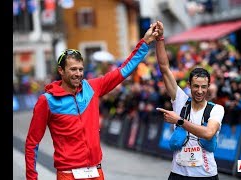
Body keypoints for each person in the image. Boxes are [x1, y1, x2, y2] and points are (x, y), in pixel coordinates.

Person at [25, 23, 159, 180]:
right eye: (73, 69)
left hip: (96, 171)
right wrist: (31, 177)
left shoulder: (92, 87)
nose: (78, 74)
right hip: (68, 175)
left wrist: (144, 43)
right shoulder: (47, 100)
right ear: (61, 71)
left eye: (80, 69)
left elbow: (123, 70)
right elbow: (32, 143)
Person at [154, 21, 225, 180]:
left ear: (208, 86)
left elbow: (208, 133)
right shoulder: (180, 101)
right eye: (196, 86)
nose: (200, 91)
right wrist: (160, 39)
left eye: (204, 87)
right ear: (189, 85)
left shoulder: (216, 109)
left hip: (206, 175)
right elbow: (164, 68)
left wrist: (179, 121)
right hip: (178, 174)